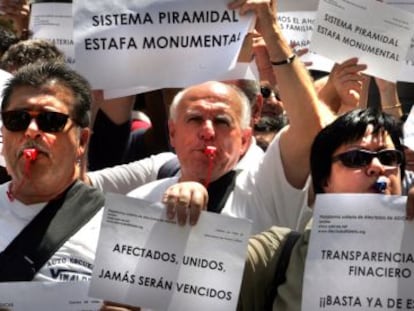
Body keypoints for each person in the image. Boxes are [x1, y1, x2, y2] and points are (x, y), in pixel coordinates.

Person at [237, 107, 414, 311]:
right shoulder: (277, 252)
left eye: (388, 157)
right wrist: (192, 212)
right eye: (356, 158)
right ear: (324, 180)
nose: (377, 166)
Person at [0, 61, 104, 282]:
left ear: (82, 141)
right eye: (17, 120)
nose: (31, 131)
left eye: (51, 121)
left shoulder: (117, 230)